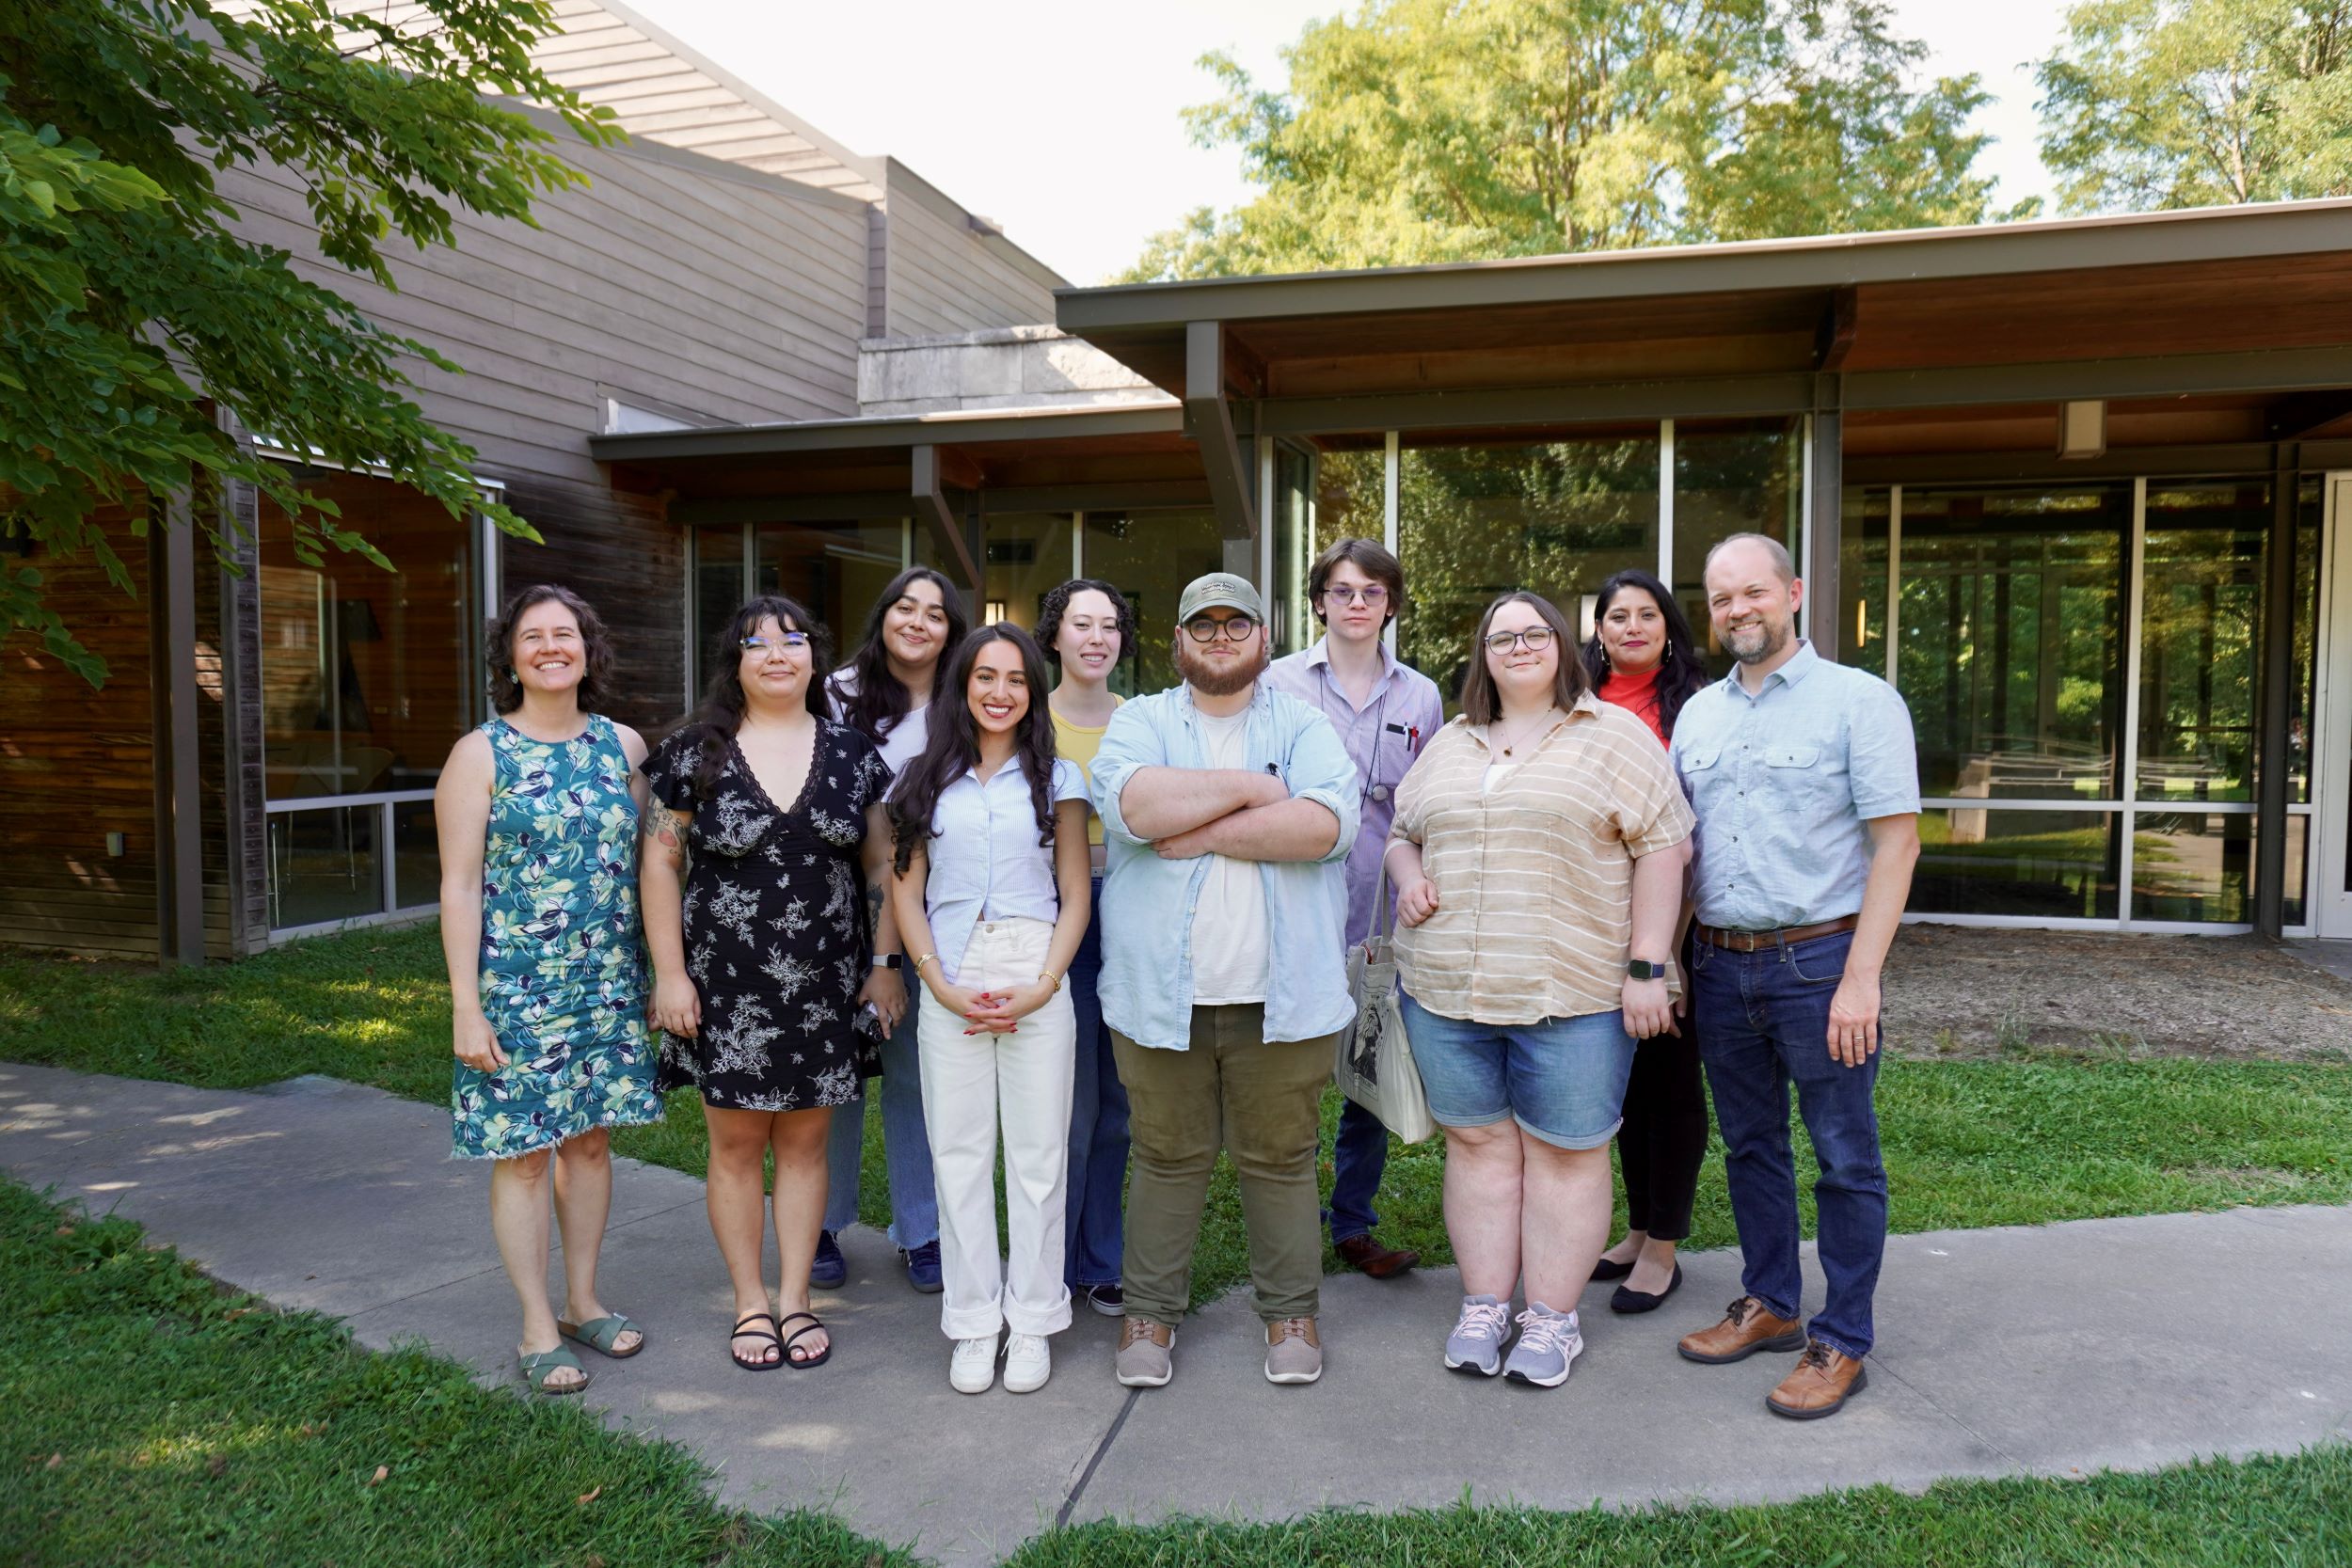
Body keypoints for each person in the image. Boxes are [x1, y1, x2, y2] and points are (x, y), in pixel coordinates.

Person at [1385, 592, 1691, 1389]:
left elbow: (1664, 846)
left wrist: (1649, 964)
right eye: (1501, 636)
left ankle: (1552, 1318)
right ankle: (1486, 1303)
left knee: (1567, 1153)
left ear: (1561, 644)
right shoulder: (1450, 743)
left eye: (1534, 633)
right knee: (1478, 1146)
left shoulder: (1614, 736)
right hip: (1448, 991)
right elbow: (1399, 833)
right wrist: (1410, 874)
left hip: (1575, 993)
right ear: (1482, 653)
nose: (1519, 647)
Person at [1670, 533, 1919, 1421]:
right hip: (1720, 962)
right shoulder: (1698, 716)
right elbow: (1676, 849)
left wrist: (1863, 979)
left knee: (1845, 1158)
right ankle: (1771, 1301)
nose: (1737, 609)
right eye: (1720, 596)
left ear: (1793, 593)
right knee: (1750, 1146)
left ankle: (1841, 1337)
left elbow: (1897, 843)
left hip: (1820, 964)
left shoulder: (1860, 702)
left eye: (1752, 592)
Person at [1089, 572, 1359, 1390]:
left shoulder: (1306, 724)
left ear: (1263, 639)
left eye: (1234, 625)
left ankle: (1291, 1312)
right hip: (1159, 997)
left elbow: (1324, 826)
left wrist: (1196, 823)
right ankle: (1149, 1315)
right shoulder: (1139, 719)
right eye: (1200, 626)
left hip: (1284, 998)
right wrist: (1253, 791)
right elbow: (1132, 807)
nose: (1217, 638)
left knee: (1281, 1158)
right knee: (1166, 1156)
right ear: (1177, 643)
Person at [639, 596, 902, 1374]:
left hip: (826, 986)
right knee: (735, 1143)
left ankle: (796, 1298)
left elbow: (884, 865)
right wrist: (670, 974)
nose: (777, 653)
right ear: (736, 661)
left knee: (806, 1143)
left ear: (816, 658)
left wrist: (884, 966)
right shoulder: (692, 752)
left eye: (793, 639)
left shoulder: (855, 754)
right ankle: (750, 1300)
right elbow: (658, 862)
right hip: (724, 987)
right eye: (757, 643)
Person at [438, 584, 665, 1396]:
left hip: (606, 979)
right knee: (526, 1156)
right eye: (531, 636)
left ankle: (583, 1299)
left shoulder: (626, 748)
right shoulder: (480, 754)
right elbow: (460, 887)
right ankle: (537, 1321)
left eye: (564, 633)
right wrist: (467, 1003)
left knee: (592, 1143)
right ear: (510, 656)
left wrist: (658, 969)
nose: (549, 646)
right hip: (515, 987)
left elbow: (652, 868)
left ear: (587, 649)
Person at [887, 624, 1091, 1393]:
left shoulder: (1058, 778)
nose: (999, 691)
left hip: (1036, 968)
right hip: (953, 972)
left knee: (1038, 1158)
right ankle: (975, 1324)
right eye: (984, 677)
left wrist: (1044, 981)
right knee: (961, 1155)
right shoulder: (918, 778)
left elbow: (1075, 893)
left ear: (1032, 691)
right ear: (962, 687)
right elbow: (904, 890)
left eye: (1015, 678)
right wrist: (936, 980)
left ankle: (1034, 1319)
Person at [1266, 538, 1443, 1281]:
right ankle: (1291, 1224)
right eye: (1342, 590)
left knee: (1369, 1072)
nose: (1358, 603)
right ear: (1319, 601)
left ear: (1391, 603)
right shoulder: (1277, 682)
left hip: (1380, 914)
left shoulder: (1422, 696)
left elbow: (1428, 806)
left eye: (1373, 591)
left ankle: (1353, 1223)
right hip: (1296, 909)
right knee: (1298, 1076)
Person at [818, 567, 965, 1293]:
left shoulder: (962, 698)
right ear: (883, 615)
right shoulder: (838, 692)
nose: (918, 621)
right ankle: (821, 1222)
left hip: (936, 903)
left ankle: (922, 1229)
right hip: (831, 903)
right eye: (905, 605)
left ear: (951, 630)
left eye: (935, 613)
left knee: (915, 1070)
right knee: (835, 1070)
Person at [1580, 568, 1714, 1315]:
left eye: (1647, 614)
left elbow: (1696, 832)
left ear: (1668, 627)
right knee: (1622, 1085)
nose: (1632, 626)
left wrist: (1668, 952)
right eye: (1617, 615)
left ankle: (1664, 1246)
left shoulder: (1698, 708)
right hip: (1593, 924)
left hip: (1674, 924)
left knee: (1668, 1083)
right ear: (1598, 630)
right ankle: (1635, 1229)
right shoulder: (1580, 704)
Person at [1037, 578, 1137, 1317]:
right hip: (1054, 919)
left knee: (1119, 1107)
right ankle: (1048, 1262)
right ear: (1055, 635)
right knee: (1066, 1107)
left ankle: (1101, 1260)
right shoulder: (1024, 720)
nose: (1096, 637)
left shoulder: (1145, 722)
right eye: (1082, 624)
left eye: (1109, 625)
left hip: (1132, 917)